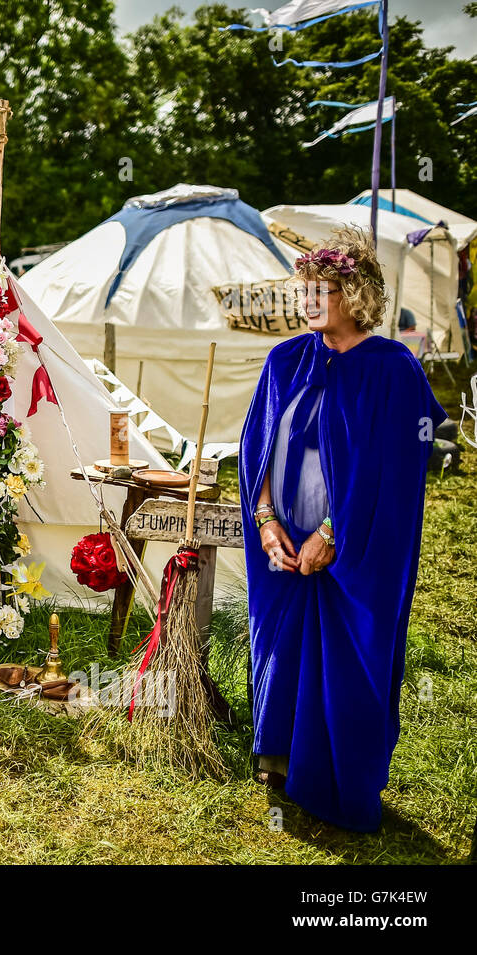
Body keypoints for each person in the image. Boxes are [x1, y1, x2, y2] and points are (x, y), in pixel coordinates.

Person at [239, 226, 445, 832]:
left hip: (353, 544)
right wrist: (267, 519)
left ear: (354, 296)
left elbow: (393, 468)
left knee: (349, 652)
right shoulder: (286, 359)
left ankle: (335, 778)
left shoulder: (393, 370)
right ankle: (278, 758)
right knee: (282, 641)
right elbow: (260, 444)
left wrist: (332, 533)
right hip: (284, 532)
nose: (306, 301)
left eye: (321, 290)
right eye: (303, 289)